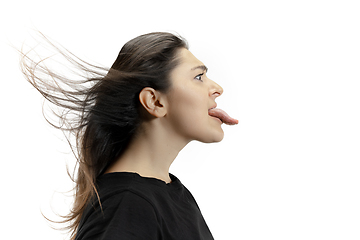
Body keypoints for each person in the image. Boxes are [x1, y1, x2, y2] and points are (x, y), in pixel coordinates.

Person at [21, 32, 238, 240]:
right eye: (198, 77)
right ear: (154, 101)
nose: (217, 88)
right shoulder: (128, 202)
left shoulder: (172, 194)